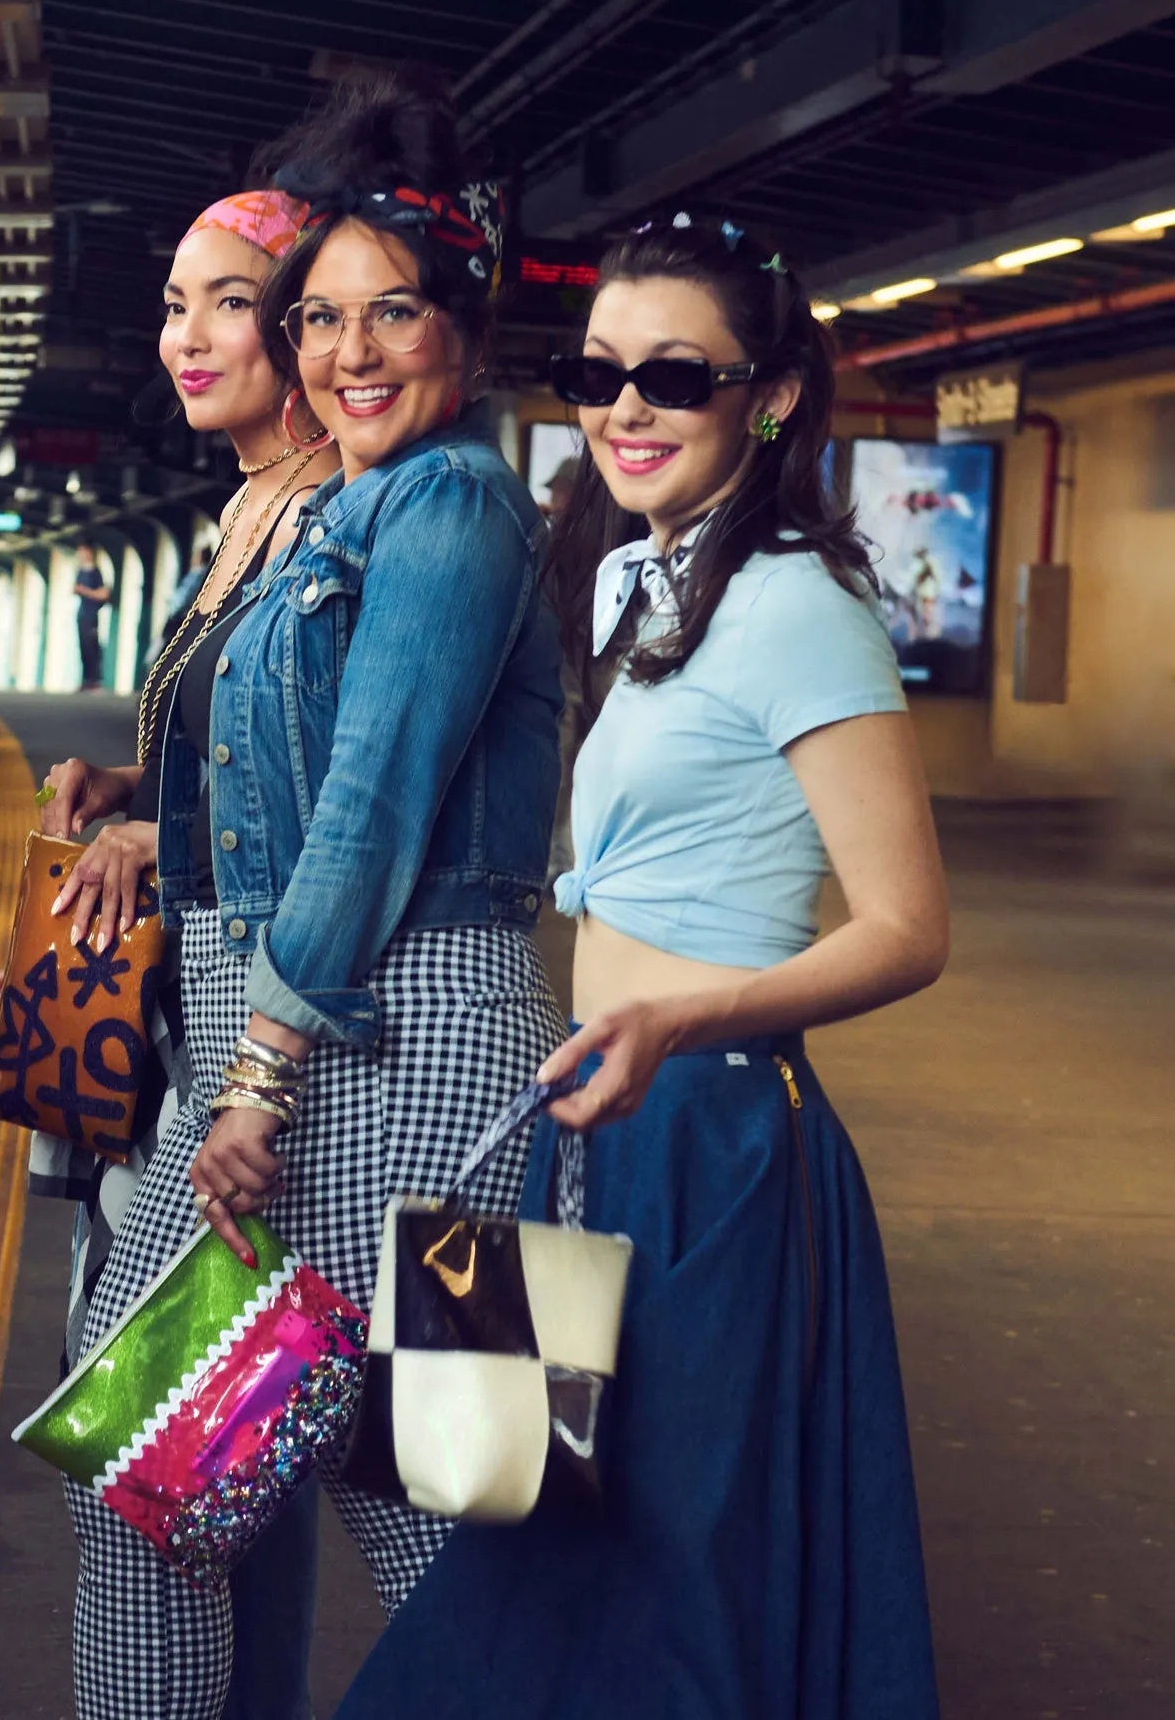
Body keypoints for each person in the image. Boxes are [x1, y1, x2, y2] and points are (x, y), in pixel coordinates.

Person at [337, 214, 945, 1719]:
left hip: (718, 1140)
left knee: (663, 1577)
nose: (625, 407)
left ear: (773, 394)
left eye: (674, 375)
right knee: (543, 1552)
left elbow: (907, 927)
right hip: (604, 1120)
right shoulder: (637, 580)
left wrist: (678, 1016)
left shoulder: (800, 605)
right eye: (597, 371)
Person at [41, 69, 567, 1716]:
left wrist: (255, 1069)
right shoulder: (341, 505)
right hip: (320, 1045)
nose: (345, 352)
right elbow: (273, 779)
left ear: (458, 331)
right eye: (319, 316)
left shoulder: (454, 502)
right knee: (162, 1486)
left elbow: (366, 803)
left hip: (418, 1067)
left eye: (384, 314)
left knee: (460, 1524)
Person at [34, 179, 334, 1720]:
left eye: (232, 300)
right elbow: (247, 760)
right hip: (195, 1054)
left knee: (176, 1462)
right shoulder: (242, 515)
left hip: (285, 1074)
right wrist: (137, 796)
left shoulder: (345, 520)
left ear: (303, 331)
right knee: (209, 1475)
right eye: (174, 302)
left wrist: (180, 838)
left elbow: (343, 800)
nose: (189, 335)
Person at [73, 545, 114, 689]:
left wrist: (84, 591)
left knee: (92, 647)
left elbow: (104, 594)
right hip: (82, 614)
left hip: (91, 615)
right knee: (83, 647)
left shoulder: (95, 573)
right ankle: (86, 680)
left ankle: (95, 680)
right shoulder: (80, 571)